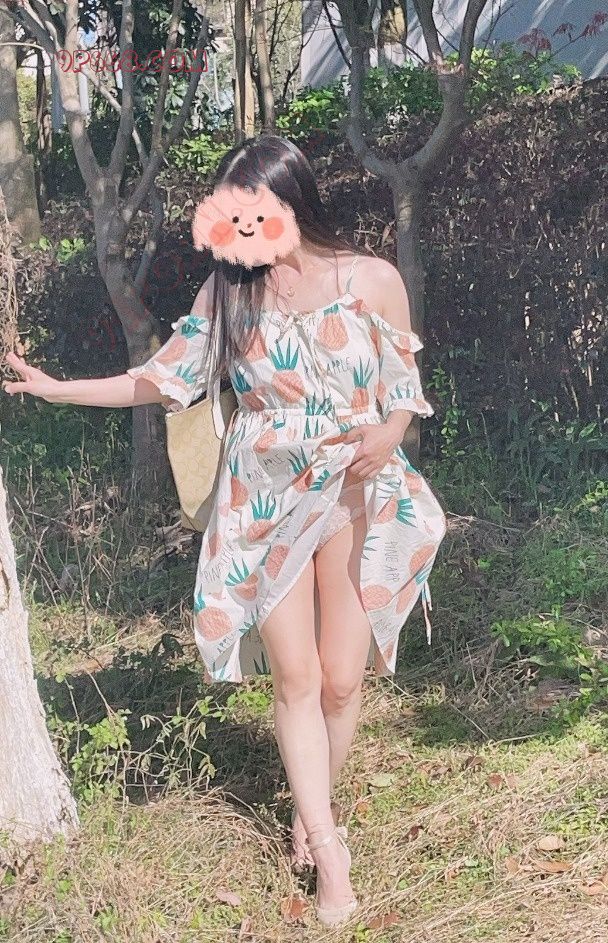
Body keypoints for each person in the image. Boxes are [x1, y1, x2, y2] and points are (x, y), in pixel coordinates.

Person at [2, 135, 447, 926]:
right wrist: (60, 389)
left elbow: (404, 390)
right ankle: (327, 847)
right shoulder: (228, 292)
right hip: (262, 501)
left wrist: (390, 432)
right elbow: (159, 378)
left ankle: (315, 806)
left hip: (352, 490)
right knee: (296, 677)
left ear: (293, 201)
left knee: (343, 678)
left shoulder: (371, 279)